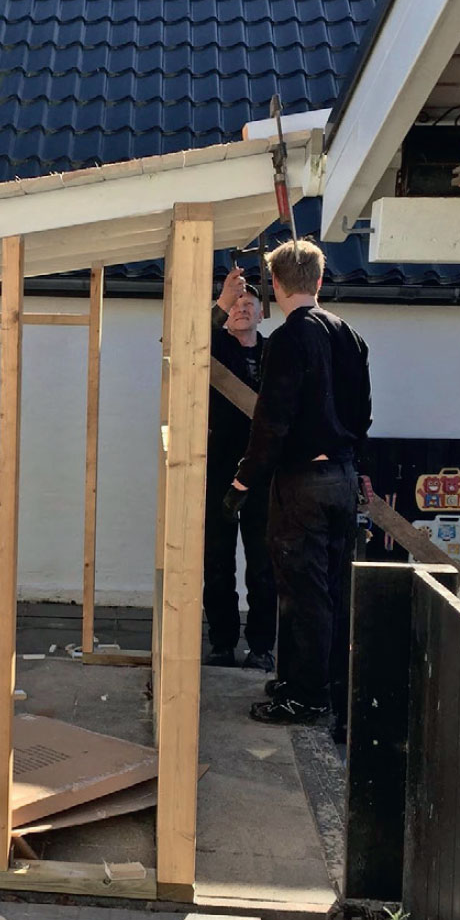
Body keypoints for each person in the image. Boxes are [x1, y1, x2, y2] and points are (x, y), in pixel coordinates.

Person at [223, 239, 371, 726]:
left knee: (301, 592)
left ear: (276, 284)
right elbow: (363, 416)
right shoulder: (350, 336)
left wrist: (243, 482)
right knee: (330, 589)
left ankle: (305, 697)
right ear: (320, 280)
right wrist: (358, 469)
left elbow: (272, 422)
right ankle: (313, 685)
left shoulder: (287, 339)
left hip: (302, 480)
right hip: (342, 476)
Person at [203, 266, 276, 671]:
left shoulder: (275, 352)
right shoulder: (213, 347)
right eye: (236, 305)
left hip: (264, 472)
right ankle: (222, 642)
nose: (242, 309)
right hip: (219, 468)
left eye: (250, 304)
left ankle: (262, 646)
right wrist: (221, 302)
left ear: (262, 313)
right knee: (218, 561)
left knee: (264, 564)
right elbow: (191, 341)